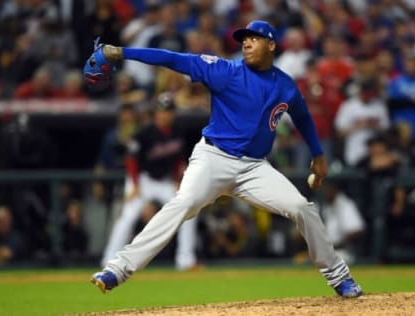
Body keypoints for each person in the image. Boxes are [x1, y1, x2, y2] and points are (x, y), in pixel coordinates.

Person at [89, 20, 362, 298]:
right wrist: (121, 52)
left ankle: (339, 276)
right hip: (213, 158)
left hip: (254, 168)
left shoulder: (285, 85)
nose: (246, 43)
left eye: (254, 38)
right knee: (183, 203)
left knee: (302, 208)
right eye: (244, 39)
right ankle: (118, 269)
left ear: (271, 45)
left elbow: (302, 117)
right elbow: (172, 58)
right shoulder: (224, 71)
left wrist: (318, 154)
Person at [100, 92, 199, 271]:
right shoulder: (145, 133)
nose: (166, 114)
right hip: (143, 180)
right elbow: (131, 160)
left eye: (169, 111)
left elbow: (178, 159)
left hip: (164, 182)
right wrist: (135, 186)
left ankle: (186, 260)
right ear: (156, 113)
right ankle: (108, 260)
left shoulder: (177, 131)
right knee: (128, 216)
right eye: (163, 111)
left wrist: (177, 180)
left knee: (188, 210)